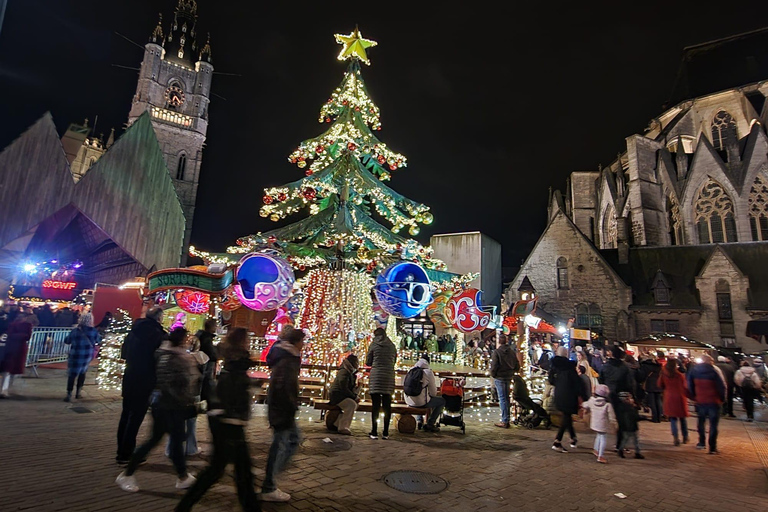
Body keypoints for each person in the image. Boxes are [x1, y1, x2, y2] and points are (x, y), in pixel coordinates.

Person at [176, 328, 261, 512]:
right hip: (229, 424)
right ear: (241, 343)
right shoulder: (236, 364)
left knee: (236, 472)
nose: (249, 344)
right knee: (223, 472)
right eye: (246, 340)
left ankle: (185, 506)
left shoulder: (235, 363)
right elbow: (229, 390)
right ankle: (184, 506)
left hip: (229, 421)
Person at [116, 327, 200, 492]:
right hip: (168, 406)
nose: (187, 342)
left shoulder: (174, 355)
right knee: (158, 440)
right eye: (186, 339)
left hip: (170, 405)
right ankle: (127, 474)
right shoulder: (171, 357)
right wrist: (185, 399)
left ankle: (182, 476)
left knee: (172, 441)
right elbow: (170, 383)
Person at [116, 307, 167, 464]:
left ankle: (121, 451)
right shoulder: (159, 335)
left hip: (130, 376)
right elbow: (162, 360)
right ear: (159, 318)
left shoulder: (133, 332)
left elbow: (123, 354)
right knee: (136, 417)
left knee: (126, 415)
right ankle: (126, 454)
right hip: (146, 379)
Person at [262, 326, 306, 502]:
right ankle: (269, 484)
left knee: (287, 441)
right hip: (282, 408)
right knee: (282, 444)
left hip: (280, 407)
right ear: (296, 342)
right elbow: (283, 386)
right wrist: (290, 406)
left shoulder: (286, 356)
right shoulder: (288, 360)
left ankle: (271, 478)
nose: (304, 344)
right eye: (302, 341)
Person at [550, 346, 586, 452]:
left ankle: (573, 438)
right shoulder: (570, 367)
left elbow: (551, 380)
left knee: (567, 415)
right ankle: (557, 441)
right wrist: (582, 396)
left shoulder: (554, 366)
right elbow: (576, 383)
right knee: (566, 416)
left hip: (559, 392)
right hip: (569, 393)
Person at [599, 346, 635, 451]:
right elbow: (630, 383)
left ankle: (603, 443)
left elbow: (601, 380)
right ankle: (620, 444)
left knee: (609, 419)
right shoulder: (624, 367)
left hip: (609, 395)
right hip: (621, 395)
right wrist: (631, 395)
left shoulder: (605, 366)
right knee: (621, 420)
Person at [687, 355, 725, 454]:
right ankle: (712, 447)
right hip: (713, 400)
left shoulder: (693, 371)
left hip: (700, 400)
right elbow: (721, 386)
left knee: (701, 422)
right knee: (713, 425)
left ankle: (701, 442)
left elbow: (690, 385)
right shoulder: (714, 372)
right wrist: (722, 399)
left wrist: (694, 397)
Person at [365, 327, 397, 440]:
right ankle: (386, 432)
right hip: (388, 376)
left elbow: (368, 362)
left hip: (376, 376)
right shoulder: (392, 346)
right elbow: (394, 361)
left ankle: (374, 431)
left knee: (376, 406)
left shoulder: (374, 345)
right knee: (387, 405)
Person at [63, 313, 101, 402]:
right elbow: (99, 340)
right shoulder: (93, 331)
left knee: (72, 374)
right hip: (86, 355)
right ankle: (78, 393)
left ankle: (69, 394)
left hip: (75, 354)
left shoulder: (76, 331)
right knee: (82, 373)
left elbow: (67, 341)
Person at [405, 354, 445, 432]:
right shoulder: (428, 372)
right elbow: (433, 393)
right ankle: (430, 424)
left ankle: (419, 421)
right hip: (421, 402)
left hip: (408, 401)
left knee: (421, 395)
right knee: (441, 401)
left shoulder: (411, 370)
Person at [0, 311, 33, 398]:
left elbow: (27, 336)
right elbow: (26, 336)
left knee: (10, 370)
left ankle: (7, 389)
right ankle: (5, 389)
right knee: (8, 369)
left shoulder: (23, 325)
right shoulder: (16, 325)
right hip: (14, 348)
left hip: (16, 348)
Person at [491, 334, 519, 428]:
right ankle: (507, 418)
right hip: (509, 376)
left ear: (499, 341)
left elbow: (494, 365)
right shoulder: (512, 352)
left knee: (502, 399)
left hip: (500, 377)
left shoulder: (497, 352)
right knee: (506, 398)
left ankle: (505, 420)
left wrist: (493, 374)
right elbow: (517, 365)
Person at [582, 384, 616, 463]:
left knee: (598, 435)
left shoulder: (591, 400)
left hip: (594, 423)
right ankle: (600, 456)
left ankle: (596, 449)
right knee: (603, 438)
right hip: (603, 425)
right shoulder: (608, 405)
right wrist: (614, 423)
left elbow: (584, 404)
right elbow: (612, 416)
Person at [328, 354, 360, 435]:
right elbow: (343, 387)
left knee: (353, 404)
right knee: (351, 405)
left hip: (341, 395)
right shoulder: (345, 371)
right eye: (357, 362)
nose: (358, 364)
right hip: (337, 395)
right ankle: (343, 427)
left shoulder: (349, 371)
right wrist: (354, 397)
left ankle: (337, 423)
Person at [660, 357, 689, 445]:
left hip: (669, 397)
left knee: (673, 419)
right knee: (682, 419)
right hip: (679, 397)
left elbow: (660, 384)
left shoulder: (664, 374)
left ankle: (675, 437)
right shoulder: (679, 375)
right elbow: (685, 387)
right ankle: (685, 437)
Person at [615, 392, 644, 459]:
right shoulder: (630, 408)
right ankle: (637, 452)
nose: (632, 399)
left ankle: (621, 450)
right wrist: (643, 417)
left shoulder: (620, 407)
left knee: (625, 439)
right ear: (626, 399)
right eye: (630, 398)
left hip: (625, 427)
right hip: (631, 426)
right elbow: (635, 417)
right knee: (635, 440)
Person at [640, 355, 663, 422]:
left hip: (650, 384)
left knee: (652, 401)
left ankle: (655, 417)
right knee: (658, 400)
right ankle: (659, 417)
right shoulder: (658, 366)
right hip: (658, 384)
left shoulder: (645, 366)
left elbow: (642, 375)